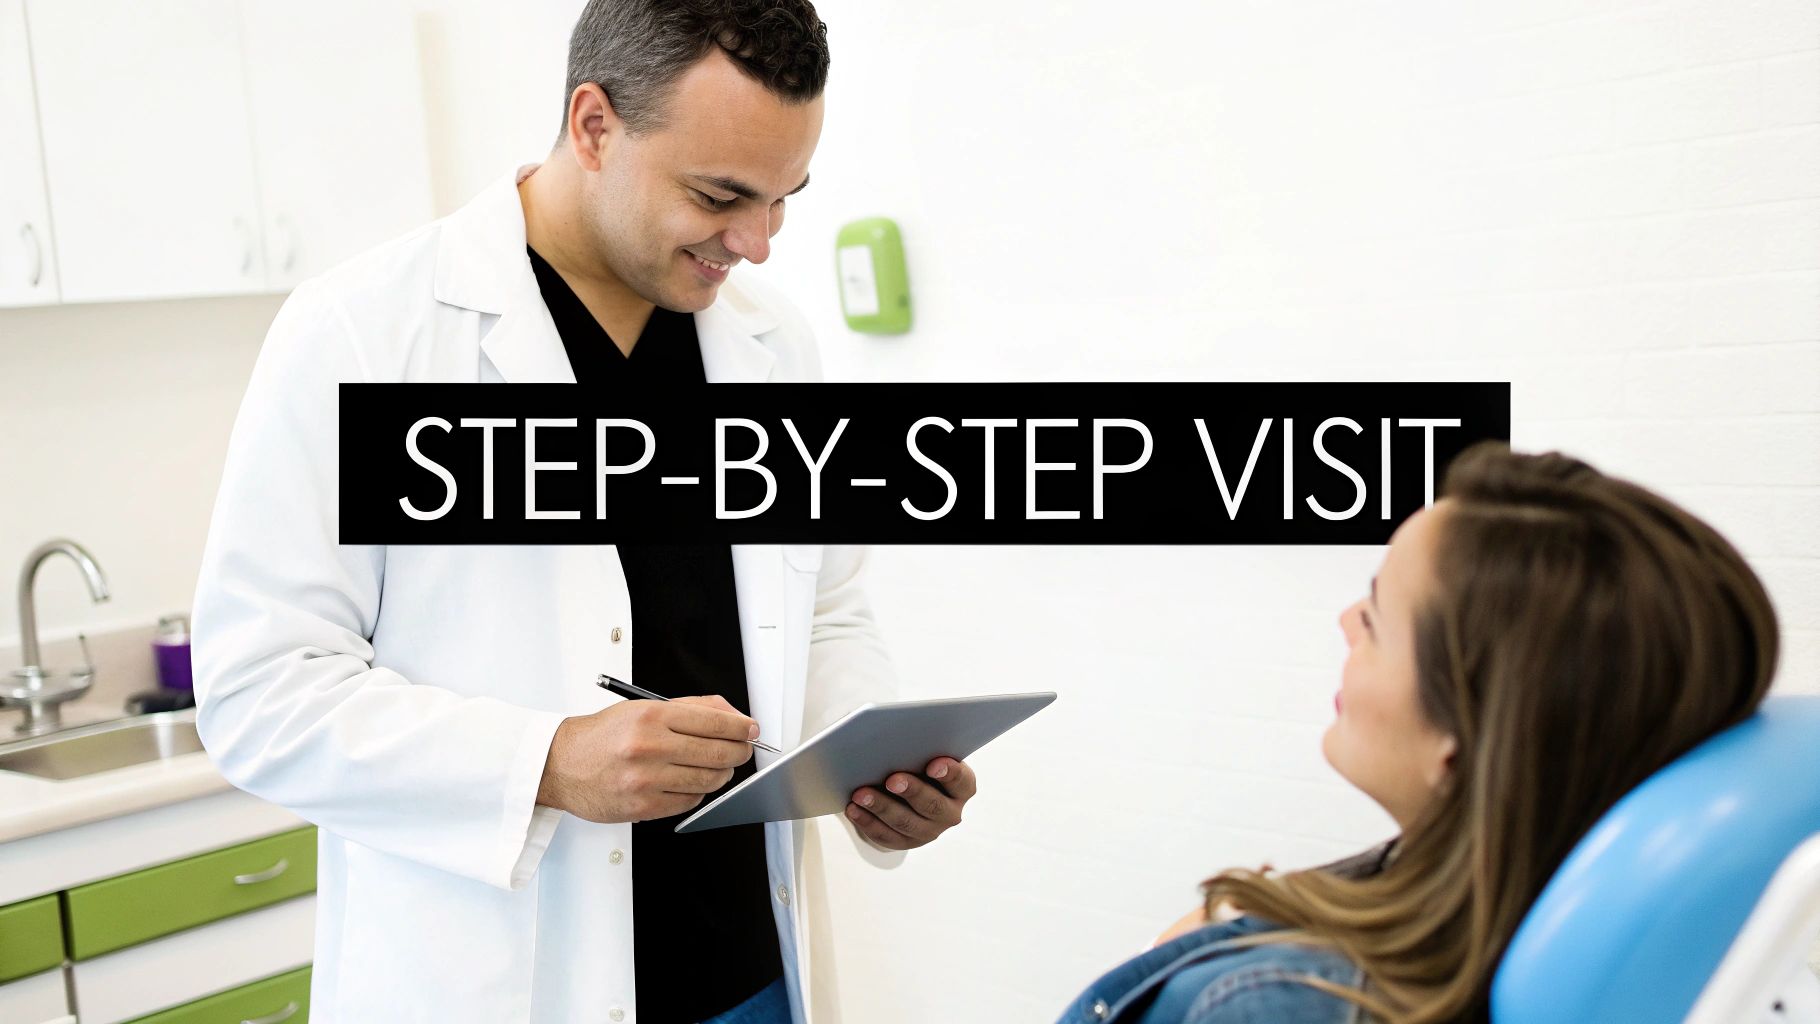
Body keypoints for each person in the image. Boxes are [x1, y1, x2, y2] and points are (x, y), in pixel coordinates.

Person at [192, 2, 978, 1021]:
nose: (756, 243)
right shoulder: (363, 336)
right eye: (719, 195)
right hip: (503, 982)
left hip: (750, 974)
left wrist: (869, 770)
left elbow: (824, 610)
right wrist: (549, 763)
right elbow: (260, 695)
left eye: (784, 200)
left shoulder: (770, 344)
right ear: (594, 124)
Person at [1058, 443, 1780, 1024]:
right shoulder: (1488, 914)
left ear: (1461, 742)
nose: (1345, 622)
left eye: (1374, 618)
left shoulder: (1281, 1004)